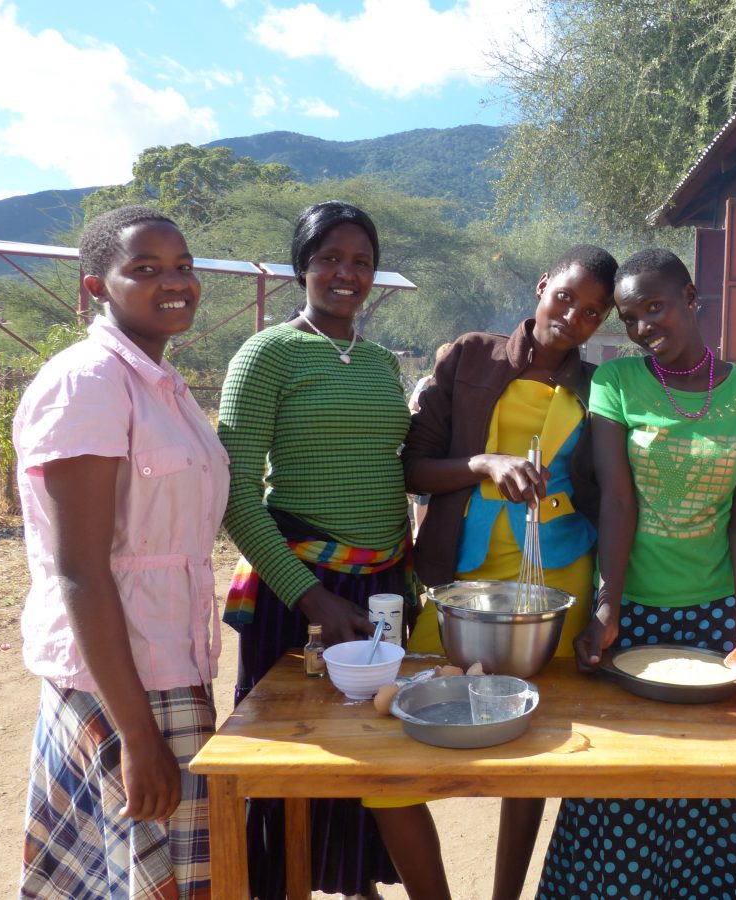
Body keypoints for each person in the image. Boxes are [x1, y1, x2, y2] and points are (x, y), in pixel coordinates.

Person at [538, 248, 736, 899]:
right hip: (636, 615)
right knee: (624, 787)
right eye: (630, 317)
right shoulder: (618, 384)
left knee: (720, 786)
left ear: (691, 297)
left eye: (656, 307)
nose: (645, 326)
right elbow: (618, 503)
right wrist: (608, 605)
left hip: (716, 616)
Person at [218, 201, 444, 898]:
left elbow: (390, 464)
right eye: (330, 259)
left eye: (361, 262)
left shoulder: (379, 362)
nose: (347, 273)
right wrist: (313, 599)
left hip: (380, 591)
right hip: (301, 590)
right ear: (302, 267)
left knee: (379, 756)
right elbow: (234, 494)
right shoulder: (266, 353)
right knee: (295, 760)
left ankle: (357, 886)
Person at [392, 244, 618, 900]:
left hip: (558, 579)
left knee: (535, 744)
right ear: (543, 285)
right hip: (463, 578)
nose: (573, 316)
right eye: (566, 297)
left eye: (593, 312)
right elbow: (413, 467)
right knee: (400, 739)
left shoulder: (598, 386)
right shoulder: (471, 356)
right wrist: (483, 464)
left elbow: (607, 490)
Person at [15, 206, 228, 897]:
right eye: (145, 269)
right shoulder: (88, 383)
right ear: (95, 287)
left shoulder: (162, 387)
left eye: (183, 266)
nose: (175, 282)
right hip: (122, 684)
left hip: (168, 665)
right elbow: (79, 570)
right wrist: (136, 737)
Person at [408, 341, 454, 533]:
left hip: (449, 443)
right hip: (428, 441)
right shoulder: (426, 383)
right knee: (423, 491)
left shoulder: (459, 385)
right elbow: (411, 407)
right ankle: (419, 531)